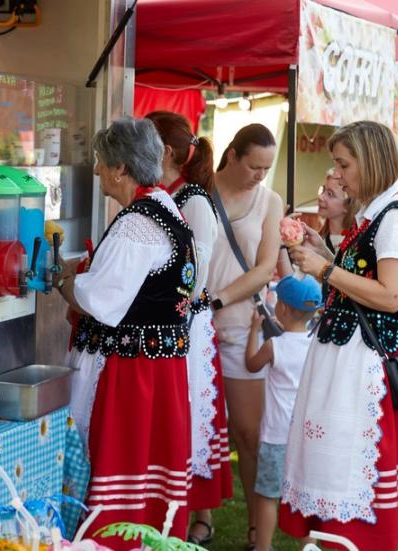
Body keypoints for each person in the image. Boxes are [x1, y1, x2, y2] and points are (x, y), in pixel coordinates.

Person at [285, 121, 398, 549]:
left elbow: (391, 296)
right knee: (333, 466)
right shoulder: (377, 213)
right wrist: (326, 252)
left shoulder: (395, 217)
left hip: (364, 366)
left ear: (370, 161)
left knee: (349, 469)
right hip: (349, 357)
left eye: (344, 164)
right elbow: (364, 280)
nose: (338, 174)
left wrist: (326, 269)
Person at [60, 117, 195, 548]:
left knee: (120, 466)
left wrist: (62, 281)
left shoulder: (138, 224)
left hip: (131, 372)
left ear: (120, 168)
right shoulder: (167, 209)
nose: (97, 169)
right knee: (148, 474)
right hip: (158, 369)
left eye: (102, 161)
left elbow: (100, 299)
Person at [146, 111, 232, 546]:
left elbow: (194, 277)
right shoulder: (165, 194)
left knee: (189, 414)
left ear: (164, 152)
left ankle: (192, 512)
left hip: (187, 324)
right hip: (172, 320)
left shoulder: (193, 200)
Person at [206, 123, 282, 549]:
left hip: (241, 327)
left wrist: (217, 300)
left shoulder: (270, 201)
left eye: (267, 168)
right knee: (199, 428)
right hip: (194, 327)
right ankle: (201, 517)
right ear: (232, 155)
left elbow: (266, 267)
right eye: (255, 166)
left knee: (248, 433)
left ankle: (256, 526)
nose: (260, 175)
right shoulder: (199, 189)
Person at [245, 274, 321, 551]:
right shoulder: (317, 346)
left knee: (267, 496)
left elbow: (251, 365)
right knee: (304, 495)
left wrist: (254, 330)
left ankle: (262, 547)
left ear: (283, 308)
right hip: (306, 437)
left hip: (276, 436)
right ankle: (309, 546)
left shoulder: (274, 346)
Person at [317, 168, 354, 254]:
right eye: (323, 190)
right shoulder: (316, 239)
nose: (320, 197)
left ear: (347, 206)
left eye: (330, 194)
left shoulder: (355, 245)